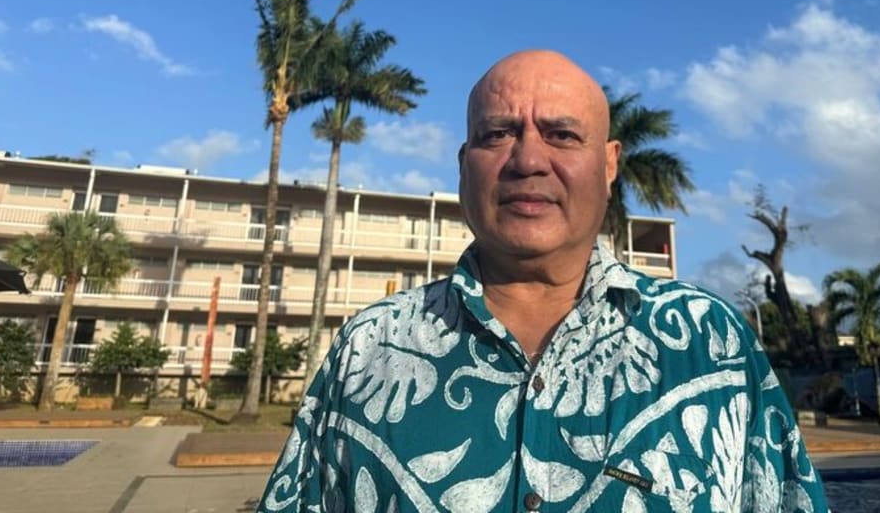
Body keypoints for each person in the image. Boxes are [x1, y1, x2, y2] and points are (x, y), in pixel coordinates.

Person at [257, 50, 829, 512]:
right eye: (498, 133)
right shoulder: (369, 346)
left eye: (561, 135)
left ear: (608, 165)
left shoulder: (711, 343)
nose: (527, 159)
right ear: (464, 164)